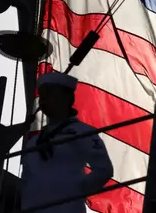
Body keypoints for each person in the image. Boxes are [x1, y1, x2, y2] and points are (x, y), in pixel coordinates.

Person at [20, 72, 113, 213]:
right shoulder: (33, 142)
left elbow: (104, 170)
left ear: (66, 98)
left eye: (49, 94)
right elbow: (26, 180)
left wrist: (74, 190)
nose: (43, 100)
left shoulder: (82, 132)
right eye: (42, 95)